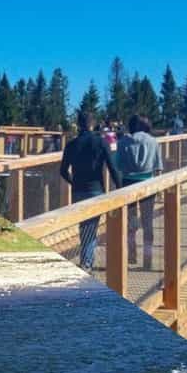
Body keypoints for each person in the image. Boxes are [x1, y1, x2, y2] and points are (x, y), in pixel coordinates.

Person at [60, 111, 123, 272]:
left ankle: (87, 261)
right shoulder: (100, 142)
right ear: (93, 124)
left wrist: (73, 182)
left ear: (79, 123)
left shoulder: (71, 144)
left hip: (78, 191)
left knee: (87, 228)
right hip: (96, 190)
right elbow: (112, 167)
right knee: (90, 228)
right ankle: (86, 264)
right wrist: (120, 188)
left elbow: (63, 171)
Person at [117, 115, 162, 269]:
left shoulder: (123, 141)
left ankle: (131, 255)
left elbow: (118, 165)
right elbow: (158, 167)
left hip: (128, 183)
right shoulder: (153, 141)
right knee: (147, 222)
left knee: (131, 221)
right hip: (148, 183)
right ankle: (147, 260)